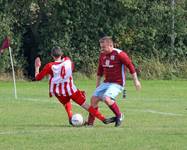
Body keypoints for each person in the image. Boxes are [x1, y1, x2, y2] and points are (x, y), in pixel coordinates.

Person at [34, 46, 113, 126]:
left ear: (52, 55)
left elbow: (37, 78)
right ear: (61, 54)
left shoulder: (49, 66)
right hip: (71, 90)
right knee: (86, 106)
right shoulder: (68, 60)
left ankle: (71, 117)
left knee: (66, 103)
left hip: (59, 92)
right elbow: (71, 68)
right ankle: (103, 119)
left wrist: (37, 67)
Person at [86, 36, 141, 127]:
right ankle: (90, 123)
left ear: (111, 45)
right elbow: (100, 70)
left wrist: (136, 81)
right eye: (101, 47)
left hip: (117, 83)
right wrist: (97, 84)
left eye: (104, 47)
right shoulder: (102, 55)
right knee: (93, 99)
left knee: (107, 98)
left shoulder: (120, 54)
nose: (102, 49)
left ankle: (119, 116)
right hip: (106, 82)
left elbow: (130, 66)